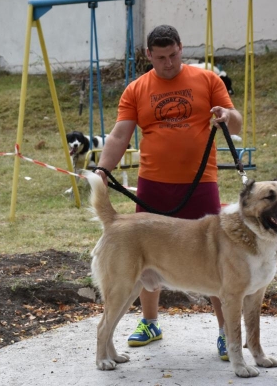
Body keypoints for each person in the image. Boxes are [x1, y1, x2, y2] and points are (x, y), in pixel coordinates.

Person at [94, 25, 242, 361]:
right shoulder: (136, 89)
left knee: (217, 261)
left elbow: (236, 123)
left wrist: (226, 114)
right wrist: (104, 169)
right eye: (160, 57)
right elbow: (119, 136)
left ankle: (225, 333)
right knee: (145, 256)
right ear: (149, 55)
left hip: (201, 183)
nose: (168, 63)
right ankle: (149, 322)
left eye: (173, 55)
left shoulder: (207, 80)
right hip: (153, 184)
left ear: (181, 48)